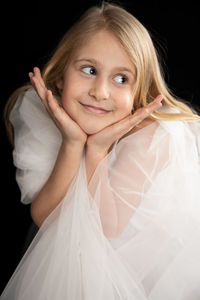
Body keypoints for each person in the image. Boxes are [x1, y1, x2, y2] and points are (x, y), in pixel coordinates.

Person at [1, 2, 200, 299]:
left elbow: (106, 230)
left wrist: (96, 151)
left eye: (121, 79)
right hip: (70, 261)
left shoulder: (152, 137)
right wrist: (72, 143)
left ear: (138, 93)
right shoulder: (42, 112)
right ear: (60, 77)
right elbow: (44, 218)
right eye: (89, 70)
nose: (100, 92)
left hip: (133, 280)